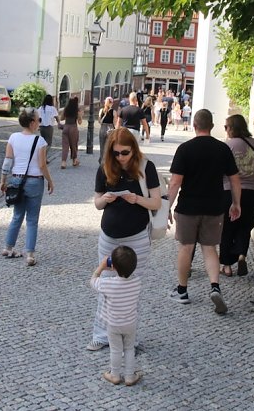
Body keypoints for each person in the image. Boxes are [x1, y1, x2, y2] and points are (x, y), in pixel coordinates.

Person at [88, 127, 160, 351]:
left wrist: (136, 198)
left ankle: (129, 340)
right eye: (116, 153)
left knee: (131, 289)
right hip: (109, 238)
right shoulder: (106, 167)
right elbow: (97, 203)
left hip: (137, 238)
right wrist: (106, 199)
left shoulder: (146, 167)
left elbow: (156, 203)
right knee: (106, 286)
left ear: (134, 150)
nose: (121, 157)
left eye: (125, 153)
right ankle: (101, 336)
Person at [166, 109, 241, 314]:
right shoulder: (222, 149)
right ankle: (215, 287)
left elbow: (175, 182)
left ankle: (182, 291)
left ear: (194, 125)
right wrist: (236, 203)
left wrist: (167, 207)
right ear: (212, 126)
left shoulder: (185, 149)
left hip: (189, 207)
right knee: (210, 249)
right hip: (214, 207)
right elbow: (234, 179)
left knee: (186, 248)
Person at [0, 108, 54, 266]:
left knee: (17, 216)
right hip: (35, 181)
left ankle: (8, 247)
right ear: (32, 123)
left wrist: (3, 180)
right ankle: (29, 254)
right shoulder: (40, 141)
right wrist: (50, 181)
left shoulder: (13, 138)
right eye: (38, 120)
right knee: (32, 219)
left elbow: (8, 161)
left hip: (17, 181)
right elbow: (42, 165)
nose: (39, 123)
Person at [219, 115, 254, 277]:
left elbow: (221, 171)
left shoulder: (228, 146)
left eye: (226, 127)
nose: (226, 130)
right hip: (252, 191)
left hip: (230, 191)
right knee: (245, 226)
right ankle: (241, 255)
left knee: (227, 227)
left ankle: (226, 266)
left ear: (232, 128)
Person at [90, 245, 143, 386]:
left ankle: (114, 375)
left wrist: (101, 267)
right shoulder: (137, 282)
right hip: (130, 323)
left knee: (116, 350)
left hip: (113, 324)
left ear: (113, 266)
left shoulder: (108, 284)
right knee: (129, 348)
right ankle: (130, 376)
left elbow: (93, 281)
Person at [60, 96, 82, 169]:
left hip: (65, 128)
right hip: (73, 128)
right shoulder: (77, 110)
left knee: (65, 146)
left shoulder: (66, 109)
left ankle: (63, 162)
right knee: (74, 145)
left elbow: (61, 118)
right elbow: (80, 122)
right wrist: (80, 115)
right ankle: (74, 160)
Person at [37, 95, 60, 162]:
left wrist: (38, 126)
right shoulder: (52, 108)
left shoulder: (41, 108)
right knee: (49, 143)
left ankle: (44, 158)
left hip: (42, 127)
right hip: (49, 127)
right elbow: (56, 117)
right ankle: (42, 157)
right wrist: (59, 123)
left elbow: (38, 118)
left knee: (44, 143)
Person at [98, 96, 116, 163]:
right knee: (109, 147)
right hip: (110, 129)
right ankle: (107, 161)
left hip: (102, 128)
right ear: (112, 103)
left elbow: (99, 121)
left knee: (102, 146)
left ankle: (102, 160)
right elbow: (115, 123)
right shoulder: (114, 112)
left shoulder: (101, 110)